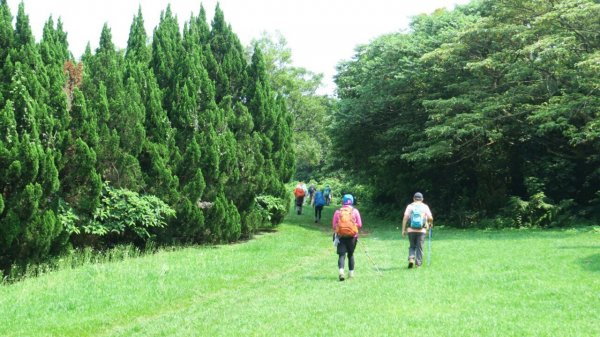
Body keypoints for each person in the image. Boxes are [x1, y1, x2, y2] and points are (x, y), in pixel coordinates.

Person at [332, 194, 363, 281]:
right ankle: (351, 273)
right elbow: (360, 224)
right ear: (352, 201)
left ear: (343, 201)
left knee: (341, 255)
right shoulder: (355, 211)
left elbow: (334, 226)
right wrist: (352, 227)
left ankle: (341, 271)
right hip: (352, 237)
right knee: (351, 254)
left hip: (341, 236)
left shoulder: (338, 212)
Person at [401, 192, 433, 268]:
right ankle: (418, 265)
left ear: (413, 198)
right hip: (422, 230)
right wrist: (430, 223)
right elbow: (430, 218)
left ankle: (411, 258)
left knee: (412, 246)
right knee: (420, 247)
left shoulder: (410, 206)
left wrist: (403, 230)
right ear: (422, 199)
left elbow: (405, 218)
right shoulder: (425, 206)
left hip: (410, 230)